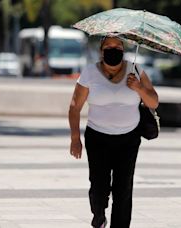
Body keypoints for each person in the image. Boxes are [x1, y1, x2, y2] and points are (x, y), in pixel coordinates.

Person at [68, 36, 159, 228]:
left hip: (128, 139)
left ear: (124, 50)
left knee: (123, 189)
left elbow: (153, 102)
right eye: (108, 46)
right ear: (101, 51)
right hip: (97, 138)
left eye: (117, 46)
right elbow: (75, 106)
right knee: (99, 187)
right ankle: (99, 215)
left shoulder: (135, 71)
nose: (113, 49)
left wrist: (139, 87)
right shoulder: (90, 72)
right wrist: (75, 138)